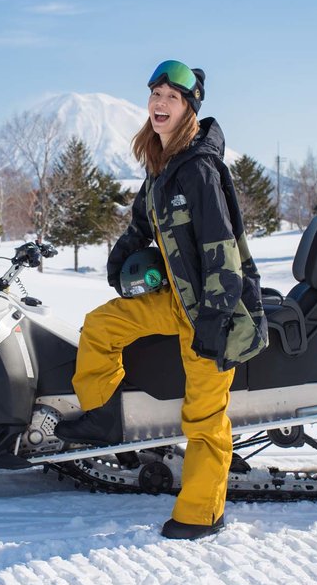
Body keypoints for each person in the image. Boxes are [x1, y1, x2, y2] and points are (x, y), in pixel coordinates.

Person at [54, 59, 268, 540]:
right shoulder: (163, 166)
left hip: (219, 310)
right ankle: (104, 419)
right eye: (154, 94)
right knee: (102, 325)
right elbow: (141, 225)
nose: (159, 103)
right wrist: (122, 253)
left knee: (204, 415)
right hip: (179, 300)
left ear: (189, 108)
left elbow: (222, 250)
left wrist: (214, 319)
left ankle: (202, 513)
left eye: (171, 96)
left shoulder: (199, 169)